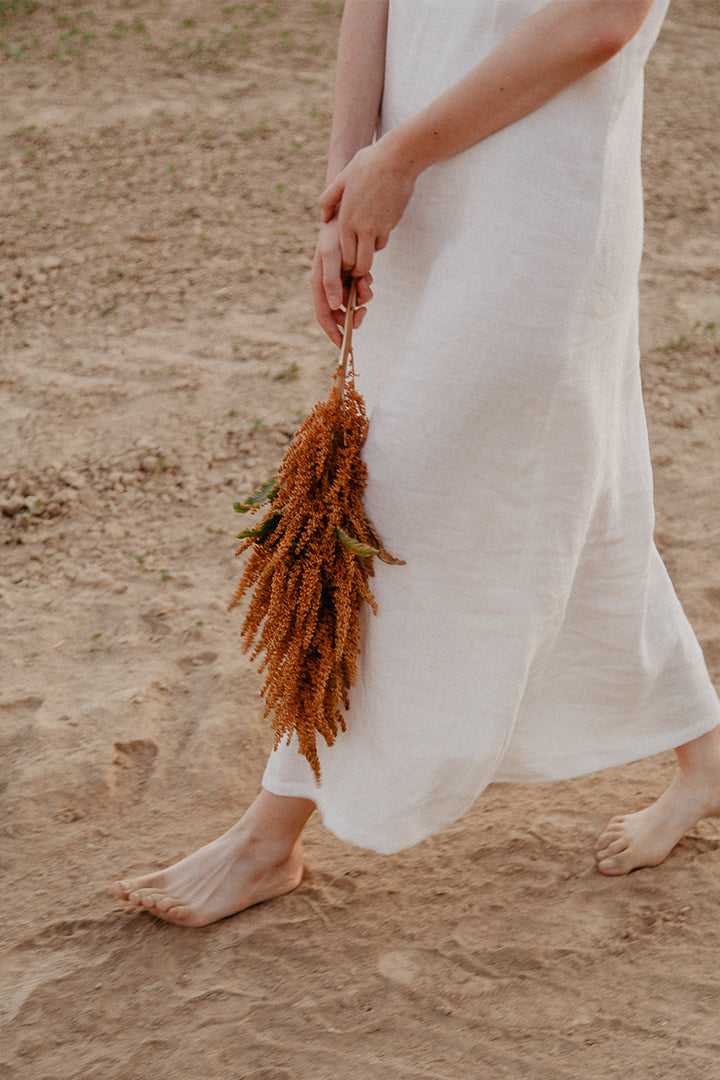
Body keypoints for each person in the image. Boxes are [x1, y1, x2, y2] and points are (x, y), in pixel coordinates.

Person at [112, 0, 720, 928]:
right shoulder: (385, 176)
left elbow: (601, 17)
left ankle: (269, 835)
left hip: (535, 207)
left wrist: (395, 160)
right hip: (405, 197)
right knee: (570, 492)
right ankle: (708, 756)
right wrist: (347, 189)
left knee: (400, 501)